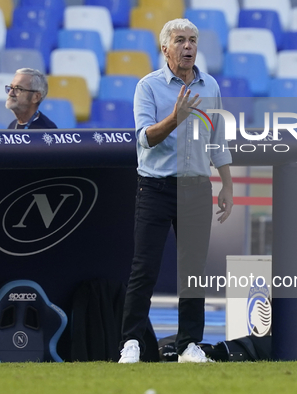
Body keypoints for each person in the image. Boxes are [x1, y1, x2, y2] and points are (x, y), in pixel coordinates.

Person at [119, 19, 234, 364]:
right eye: (181, 40)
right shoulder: (148, 87)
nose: (188, 47)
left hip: (197, 188)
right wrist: (175, 117)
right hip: (156, 187)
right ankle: (131, 343)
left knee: (193, 270)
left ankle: (189, 346)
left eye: (193, 40)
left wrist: (227, 183)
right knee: (145, 269)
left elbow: (217, 140)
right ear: (165, 48)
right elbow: (144, 139)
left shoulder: (209, 85)